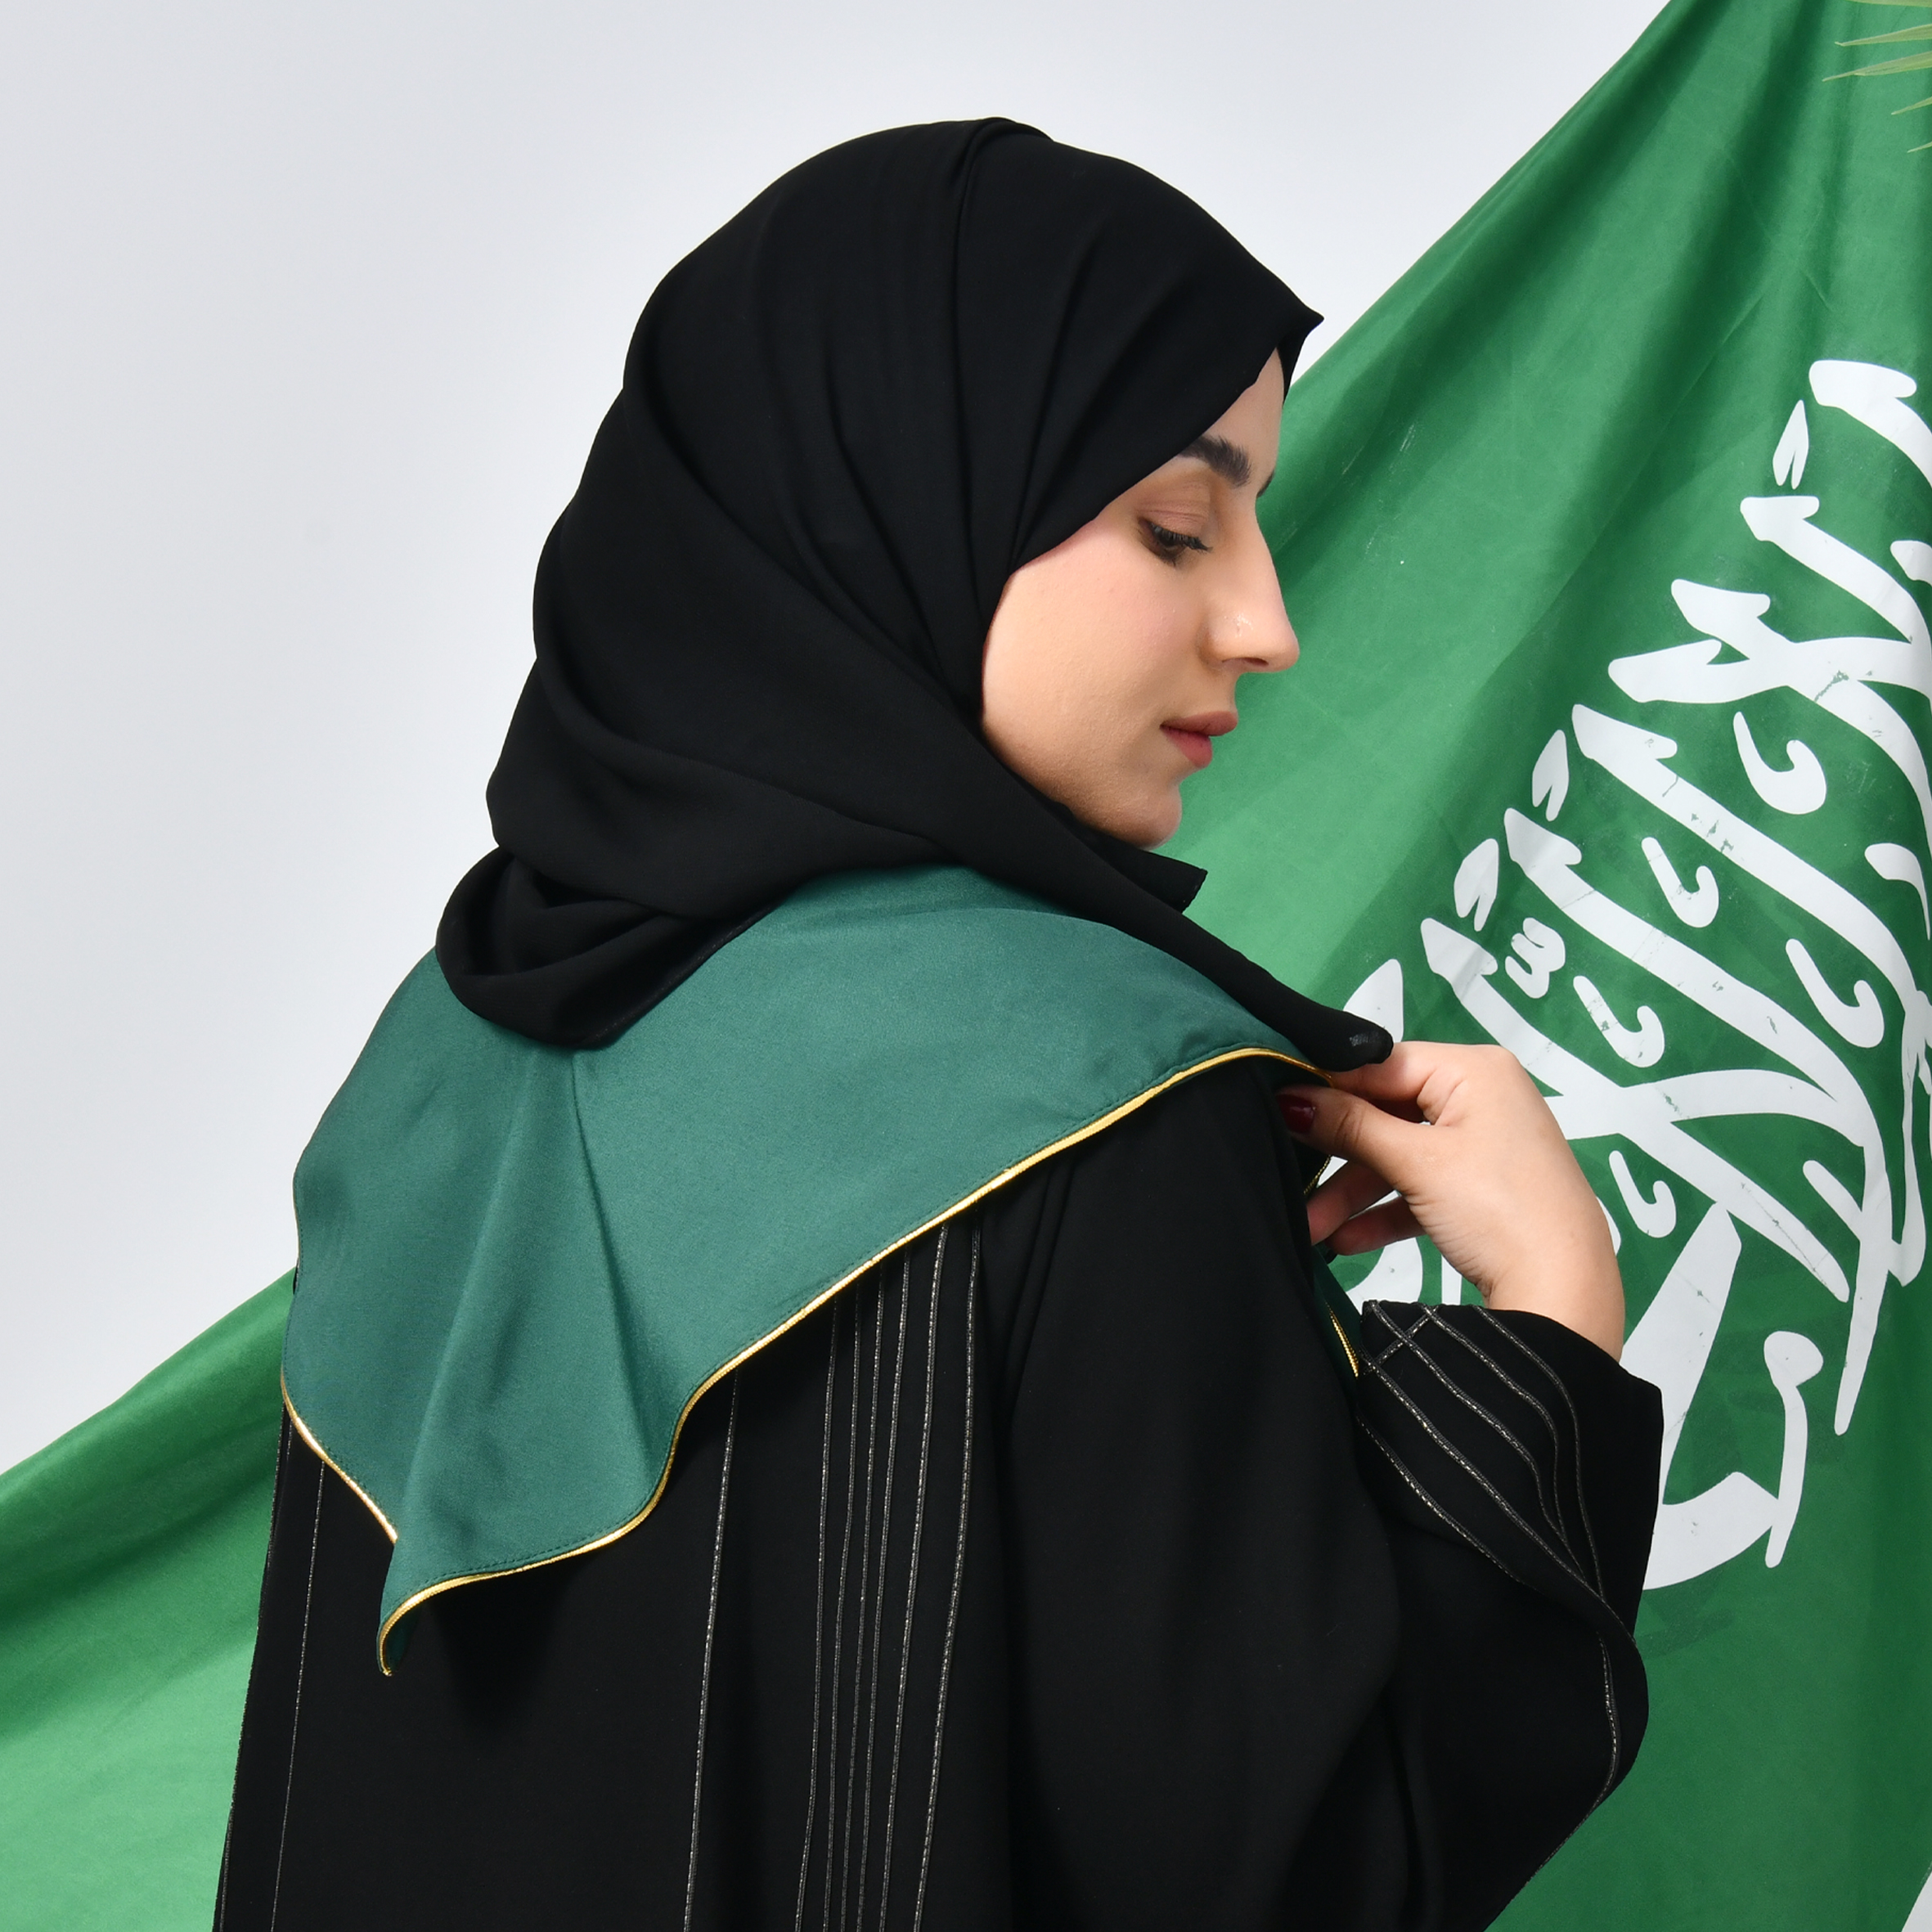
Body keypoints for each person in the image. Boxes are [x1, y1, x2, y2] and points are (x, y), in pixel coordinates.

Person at [214, 119, 1661, 1932]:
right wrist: (1547, 1326)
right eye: (1176, 525)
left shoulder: (436, 1063)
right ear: (895, 499)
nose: (1264, 621)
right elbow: (1302, 1885)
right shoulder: (1098, 1105)